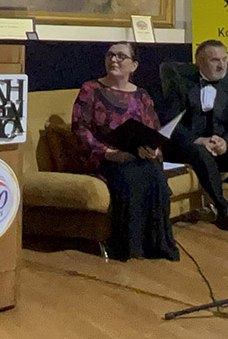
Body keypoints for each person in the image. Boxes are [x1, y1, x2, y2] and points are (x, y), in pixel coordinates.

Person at [71, 43, 179, 262]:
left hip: (137, 155)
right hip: (104, 158)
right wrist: (109, 153)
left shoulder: (142, 96)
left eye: (121, 56)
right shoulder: (91, 89)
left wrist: (152, 148)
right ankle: (129, 246)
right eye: (110, 55)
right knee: (129, 175)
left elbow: (153, 130)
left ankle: (157, 245)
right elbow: (80, 129)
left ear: (134, 65)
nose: (114, 60)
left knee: (155, 176)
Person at [161, 40, 228, 231]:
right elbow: (170, 124)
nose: (222, 65)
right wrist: (198, 140)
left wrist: (225, 142)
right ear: (200, 62)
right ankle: (222, 207)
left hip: (218, 144)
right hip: (186, 145)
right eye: (215, 60)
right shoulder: (180, 85)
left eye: (224, 59)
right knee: (200, 151)